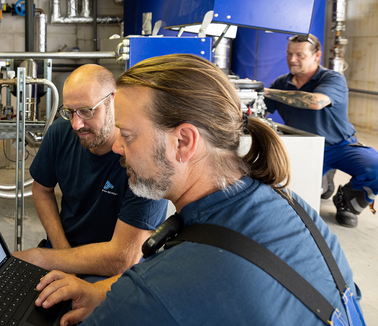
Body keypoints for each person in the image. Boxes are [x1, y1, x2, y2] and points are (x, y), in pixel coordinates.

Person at [31, 54, 362, 326]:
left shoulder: (159, 289)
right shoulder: (296, 209)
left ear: (184, 142)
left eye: (128, 135)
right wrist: (101, 292)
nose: (116, 146)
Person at [12, 64, 167, 277]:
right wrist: (62, 252)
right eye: (69, 112)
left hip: (114, 269)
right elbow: (41, 189)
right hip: (63, 250)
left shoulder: (143, 156)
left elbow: (122, 259)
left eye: (86, 111)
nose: (76, 124)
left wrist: (43, 258)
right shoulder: (60, 133)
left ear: (113, 99)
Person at [263, 34, 378, 228]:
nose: (292, 60)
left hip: (340, 145)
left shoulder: (332, 78)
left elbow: (317, 102)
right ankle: (325, 182)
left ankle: (348, 202)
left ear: (317, 56)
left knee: (375, 167)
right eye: (289, 54)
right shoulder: (281, 84)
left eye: (299, 55)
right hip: (304, 147)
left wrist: (262, 90)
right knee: (296, 198)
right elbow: (259, 109)